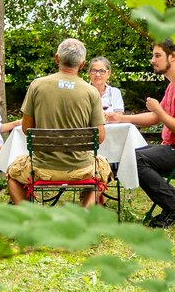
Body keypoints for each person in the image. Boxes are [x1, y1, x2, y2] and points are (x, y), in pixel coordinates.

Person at [106, 38, 175, 227]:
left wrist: (158, 110)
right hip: (174, 148)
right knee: (128, 155)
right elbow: (154, 118)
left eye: (157, 55)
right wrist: (120, 118)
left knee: (134, 160)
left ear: (174, 56)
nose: (153, 60)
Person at [6, 37, 111, 205]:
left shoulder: (37, 85)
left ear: (57, 58)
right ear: (82, 64)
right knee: (104, 169)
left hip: (41, 168)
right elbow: (99, 137)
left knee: (12, 173)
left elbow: (26, 128)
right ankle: (84, 214)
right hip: (81, 169)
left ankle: (28, 218)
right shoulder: (91, 92)